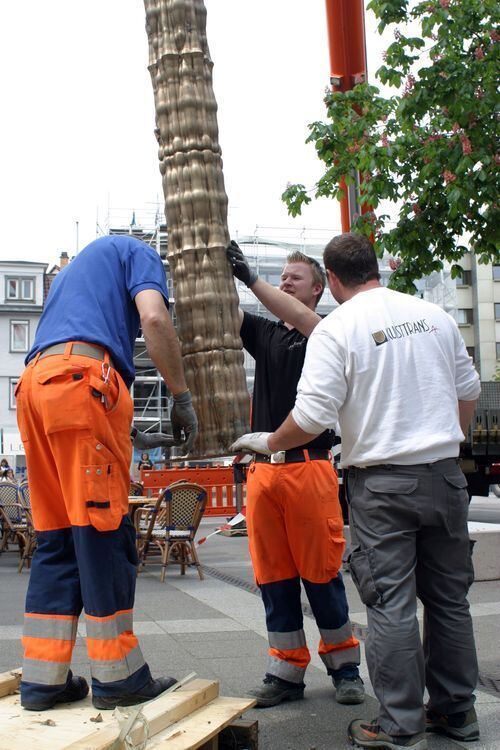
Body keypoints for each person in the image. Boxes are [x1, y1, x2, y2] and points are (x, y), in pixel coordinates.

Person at [232, 233, 481, 750]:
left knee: (391, 603)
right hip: (443, 473)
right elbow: (467, 392)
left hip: (383, 482)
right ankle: (457, 713)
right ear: (373, 267)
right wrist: (450, 446)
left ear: (332, 280)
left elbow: (312, 416)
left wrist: (270, 441)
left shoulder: (337, 328)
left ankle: (399, 726)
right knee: (449, 601)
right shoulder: (433, 315)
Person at [15, 235, 198, 712]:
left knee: (56, 537)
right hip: (83, 380)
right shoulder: (140, 254)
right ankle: (119, 678)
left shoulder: (81, 270)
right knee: (103, 530)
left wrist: (127, 432)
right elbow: (155, 318)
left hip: (36, 385)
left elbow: (70, 371)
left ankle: (43, 680)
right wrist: (180, 398)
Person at [226, 241, 364, 708]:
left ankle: (346, 668)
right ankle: (284, 672)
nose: (284, 282)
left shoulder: (324, 331)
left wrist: (250, 278)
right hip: (264, 474)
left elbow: (297, 316)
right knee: (273, 576)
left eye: (294, 278)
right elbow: (222, 313)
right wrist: (208, 268)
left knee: (321, 574)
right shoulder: (264, 333)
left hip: (309, 470)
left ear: (319, 291)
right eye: (280, 276)